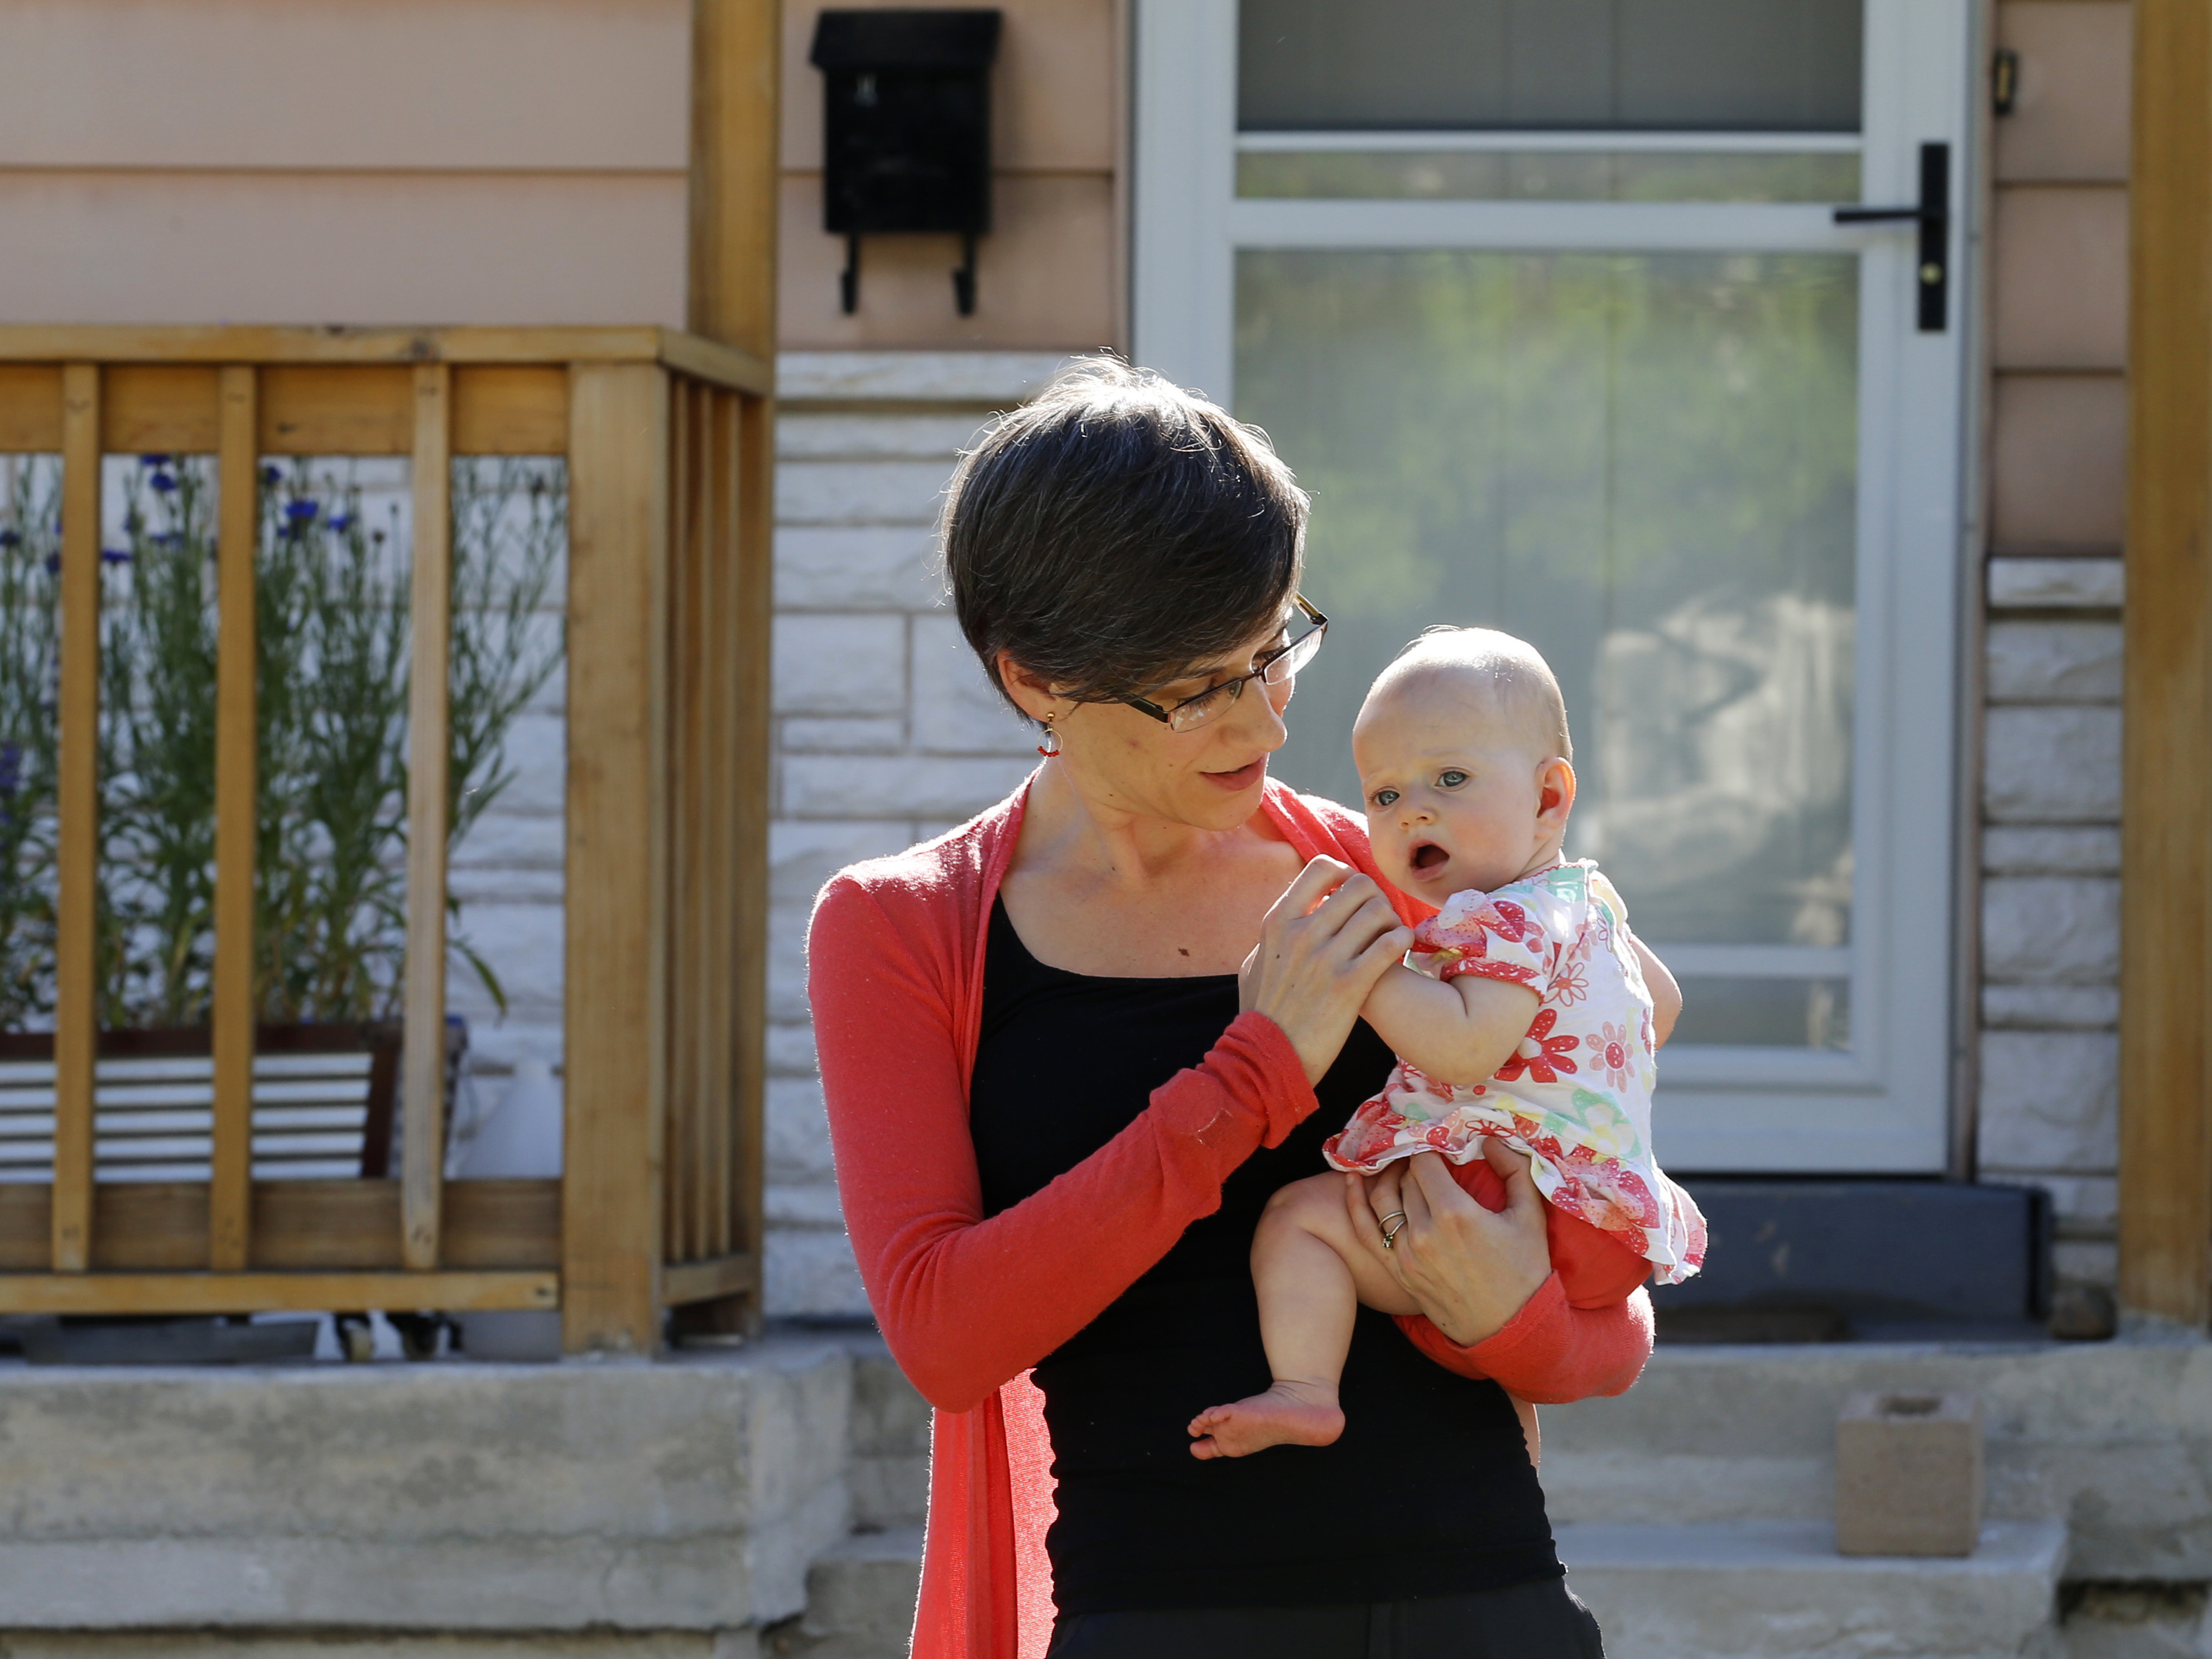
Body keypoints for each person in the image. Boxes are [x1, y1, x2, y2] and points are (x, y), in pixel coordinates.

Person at [807, 360, 1673, 1659]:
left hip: (1486, 1603)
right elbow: (943, 1334)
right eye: (1199, 684)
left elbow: (1611, 1303)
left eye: (1273, 646)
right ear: (1035, 677)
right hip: (1160, 1618)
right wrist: (1253, 1071)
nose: (1266, 712)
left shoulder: (1409, 875)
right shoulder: (904, 926)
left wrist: (1516, 1314)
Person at [1188, 628, 1706, 1463]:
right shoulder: (1587, 903)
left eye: (1451, 779)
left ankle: (1306, 1390)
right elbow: (1665, 1007)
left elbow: (1463, 1048)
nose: (1412, 810)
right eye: (1384, 795)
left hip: (1512, 1202)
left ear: (1547, 797)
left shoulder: (1508, 919)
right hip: (1601, 1211)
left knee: (1299, 1222)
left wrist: (1363, 969)